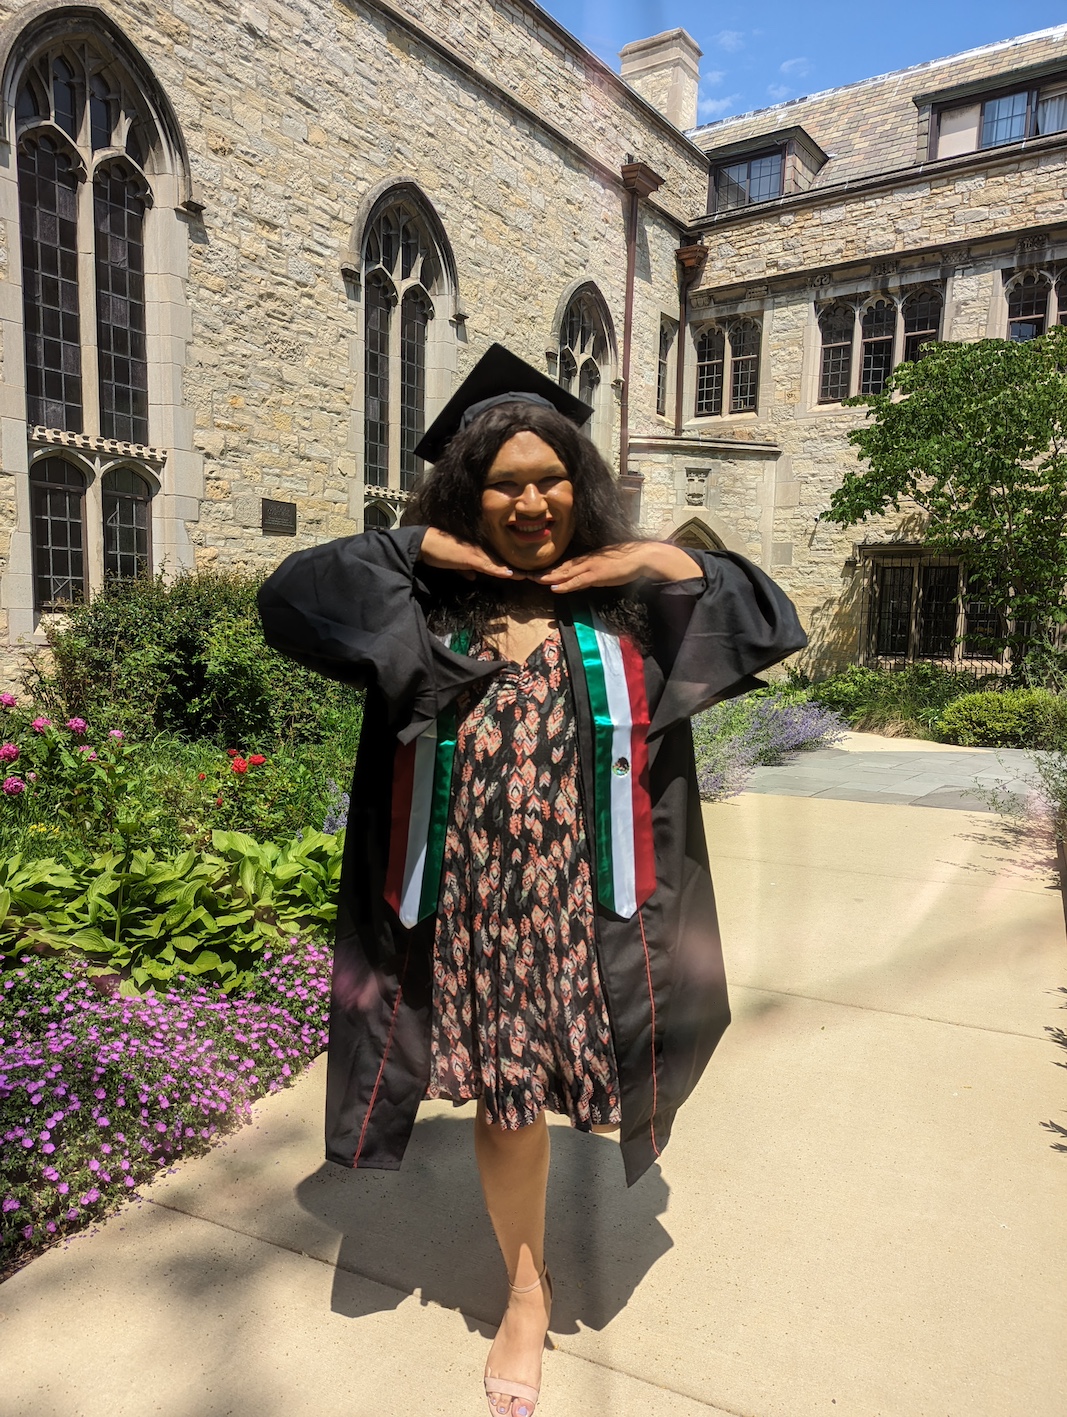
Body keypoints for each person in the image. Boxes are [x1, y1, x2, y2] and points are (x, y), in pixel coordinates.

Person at [258, 344, 807, 1417]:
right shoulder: (421, 607)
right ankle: (523, 1289)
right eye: (504, 480)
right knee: (510, 1100)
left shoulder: (625, 614)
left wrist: (650, 560)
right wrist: (421, 543)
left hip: (591, 905)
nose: (531, 498)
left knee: (592, 1088)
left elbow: (764, 616)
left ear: (579, 484)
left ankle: (532, 1258)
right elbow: (294, 594)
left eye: (551, 476)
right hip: (465, 908)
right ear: (470, 496)